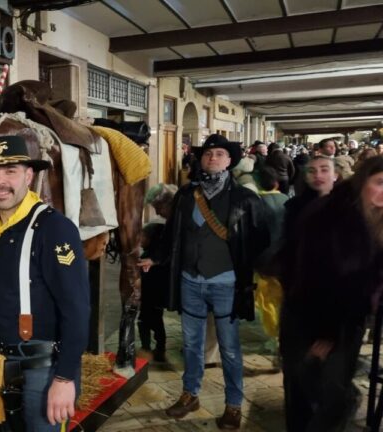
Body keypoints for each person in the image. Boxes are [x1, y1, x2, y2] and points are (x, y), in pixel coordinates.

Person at [0, 135, 89, 431]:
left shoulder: (55, 229)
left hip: (46, 365)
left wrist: (64, 379)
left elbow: (77, 310)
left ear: (29, 175)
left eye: (10, 171)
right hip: (0, 358)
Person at [138, 134, 269, 429]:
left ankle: (233, 405)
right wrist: (155, 258)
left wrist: (256, 272)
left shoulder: (245, 198)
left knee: (230, 348)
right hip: (190, 281)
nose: (213, 158)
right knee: (192, 344)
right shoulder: (186, 195)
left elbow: (260, 239)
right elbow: (172, 233)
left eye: (220, 153)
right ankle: (190, 394)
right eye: (209, 153)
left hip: (227, 283)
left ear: (230, 160)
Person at [279, 156, 383, 431]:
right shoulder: (332, 215)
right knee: (312, 388)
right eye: (380, 183)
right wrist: (326, 333)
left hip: (346, 318)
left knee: (330, 389)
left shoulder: (373, 215)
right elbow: (314, 276)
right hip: (310, 315)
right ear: (363, 181)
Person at [138, 184, 177, 363]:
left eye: (159, 208)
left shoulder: (177, 221)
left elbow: (170, 250)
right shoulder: (170, 222)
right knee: (154, 320)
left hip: (157, 290)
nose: (158, 213)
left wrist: (154, 261)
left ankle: (153, 348)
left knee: (150, 320)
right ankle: (155, 348)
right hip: (156, 292)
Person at [283, 156, 336, 236]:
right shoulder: (294, 206)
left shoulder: (347, 205)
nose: (317, 175)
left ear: (335, 175)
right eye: (311, 171)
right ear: (306, 177)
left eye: (324, 170)